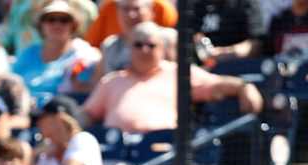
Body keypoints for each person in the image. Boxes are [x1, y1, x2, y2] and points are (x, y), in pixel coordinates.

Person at [81, 21, 264, 133]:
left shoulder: (178, 73)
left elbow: (216, 85)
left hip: (163, 154)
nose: (144, 50)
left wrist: (244, 87)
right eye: (138, 45)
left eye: (151, 45)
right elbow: (87, 114)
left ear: (161, 48)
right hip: (118, 156)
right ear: (129, 48)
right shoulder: (112, 80)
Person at [11, 0, 101, 108]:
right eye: (50, 19)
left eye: (64, 20)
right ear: (41, 25)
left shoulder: (85, 54)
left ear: (73, 25)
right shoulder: (29, 53)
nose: (57, 24)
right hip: (24, 110)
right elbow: (13, 83)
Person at [192, 0, 265, 66]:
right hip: (204, 68)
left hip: (240, 66)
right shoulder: (195, 5)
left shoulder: (245, 3)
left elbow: (256, 44)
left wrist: (222, 53)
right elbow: (193, 36)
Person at [84, 0, 178, 49]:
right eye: (125, 9)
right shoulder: (110, 46)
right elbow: (92, 46)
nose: (131, 15)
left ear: (151, 10)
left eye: (137, 9)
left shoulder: (162, 8)